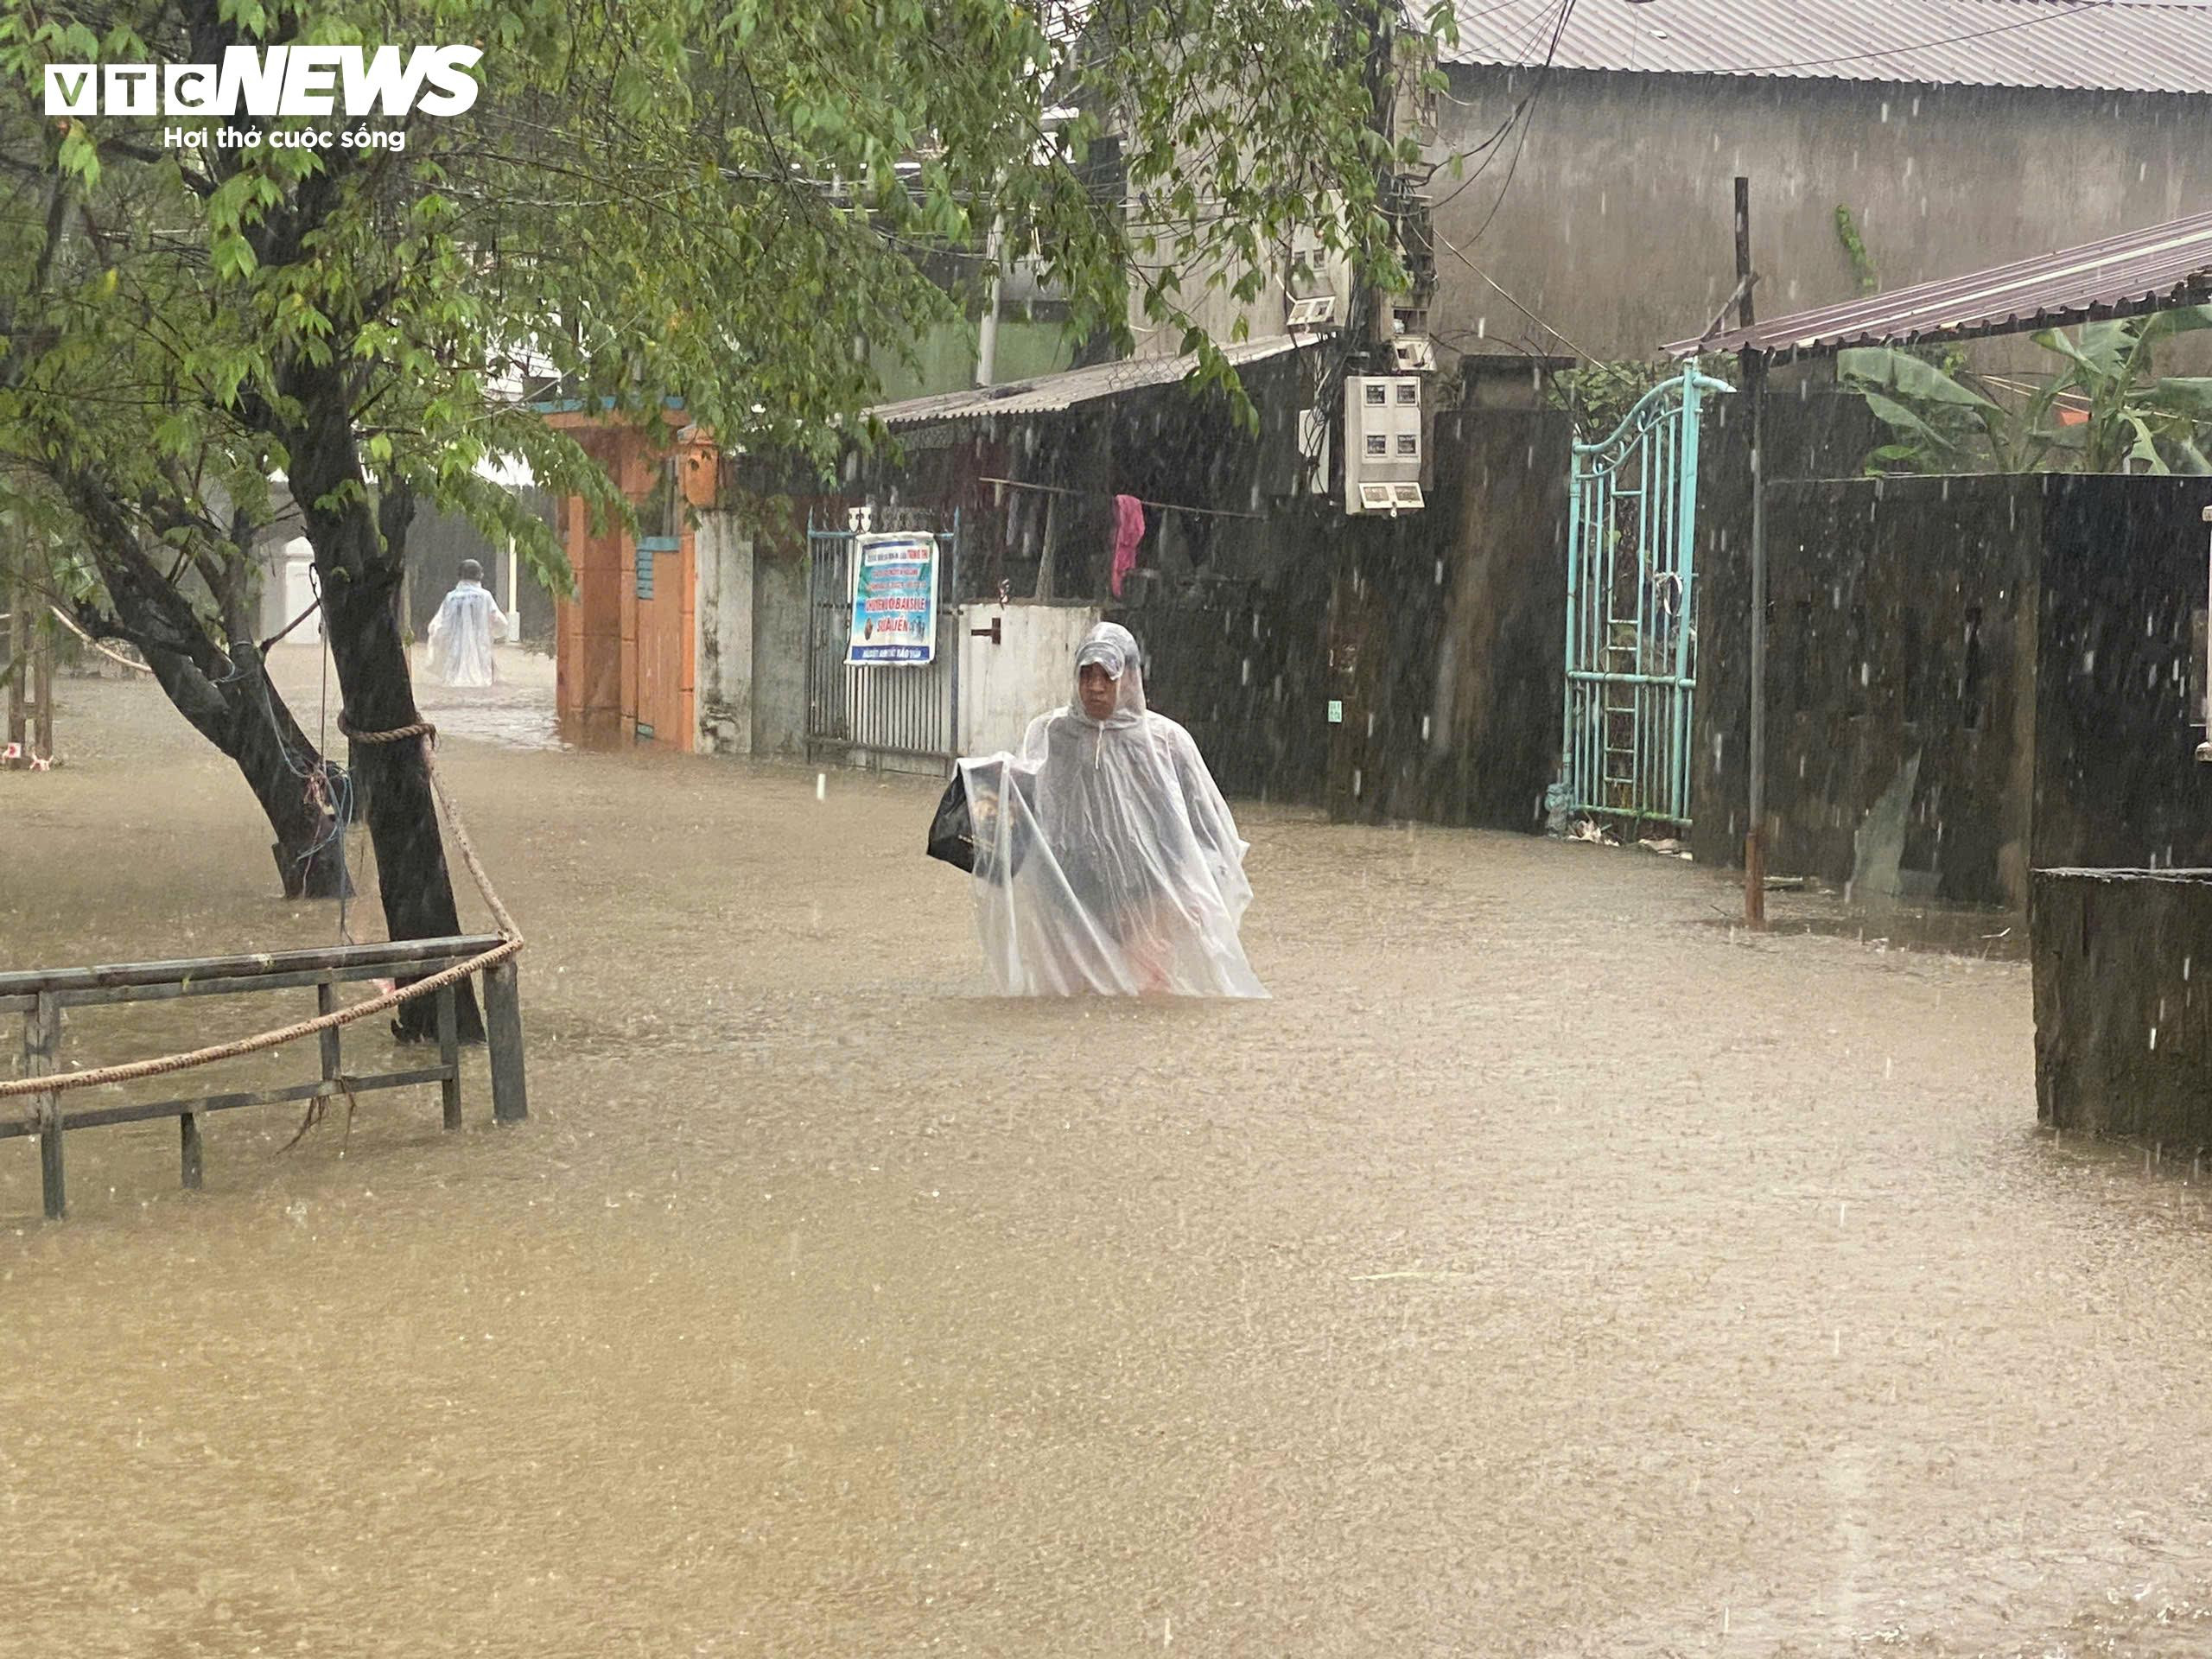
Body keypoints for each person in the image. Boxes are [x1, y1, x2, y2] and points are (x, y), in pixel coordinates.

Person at [957, 621, 1265, 998]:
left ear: (1132, 678)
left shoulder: (1166, 743)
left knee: (1144, 992)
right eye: (1087, 675)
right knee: (1068, 996)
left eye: (1108, 675)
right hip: (1070, 892)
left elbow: (1205, 825)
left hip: (1148, 894)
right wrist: (981, 788)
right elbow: (1024, 805)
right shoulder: (1051, 734)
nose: (1096, 687)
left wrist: (1194, 890)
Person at [423, 559, 508, 688]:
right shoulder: (485, 596)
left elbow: (441, 622)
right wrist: (495, 630)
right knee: (480, 663)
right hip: (479, 638)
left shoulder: (451, 597)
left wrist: (437, 635)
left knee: (455, 662)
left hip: (456, 640)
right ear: (479, 575)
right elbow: (497, 618)